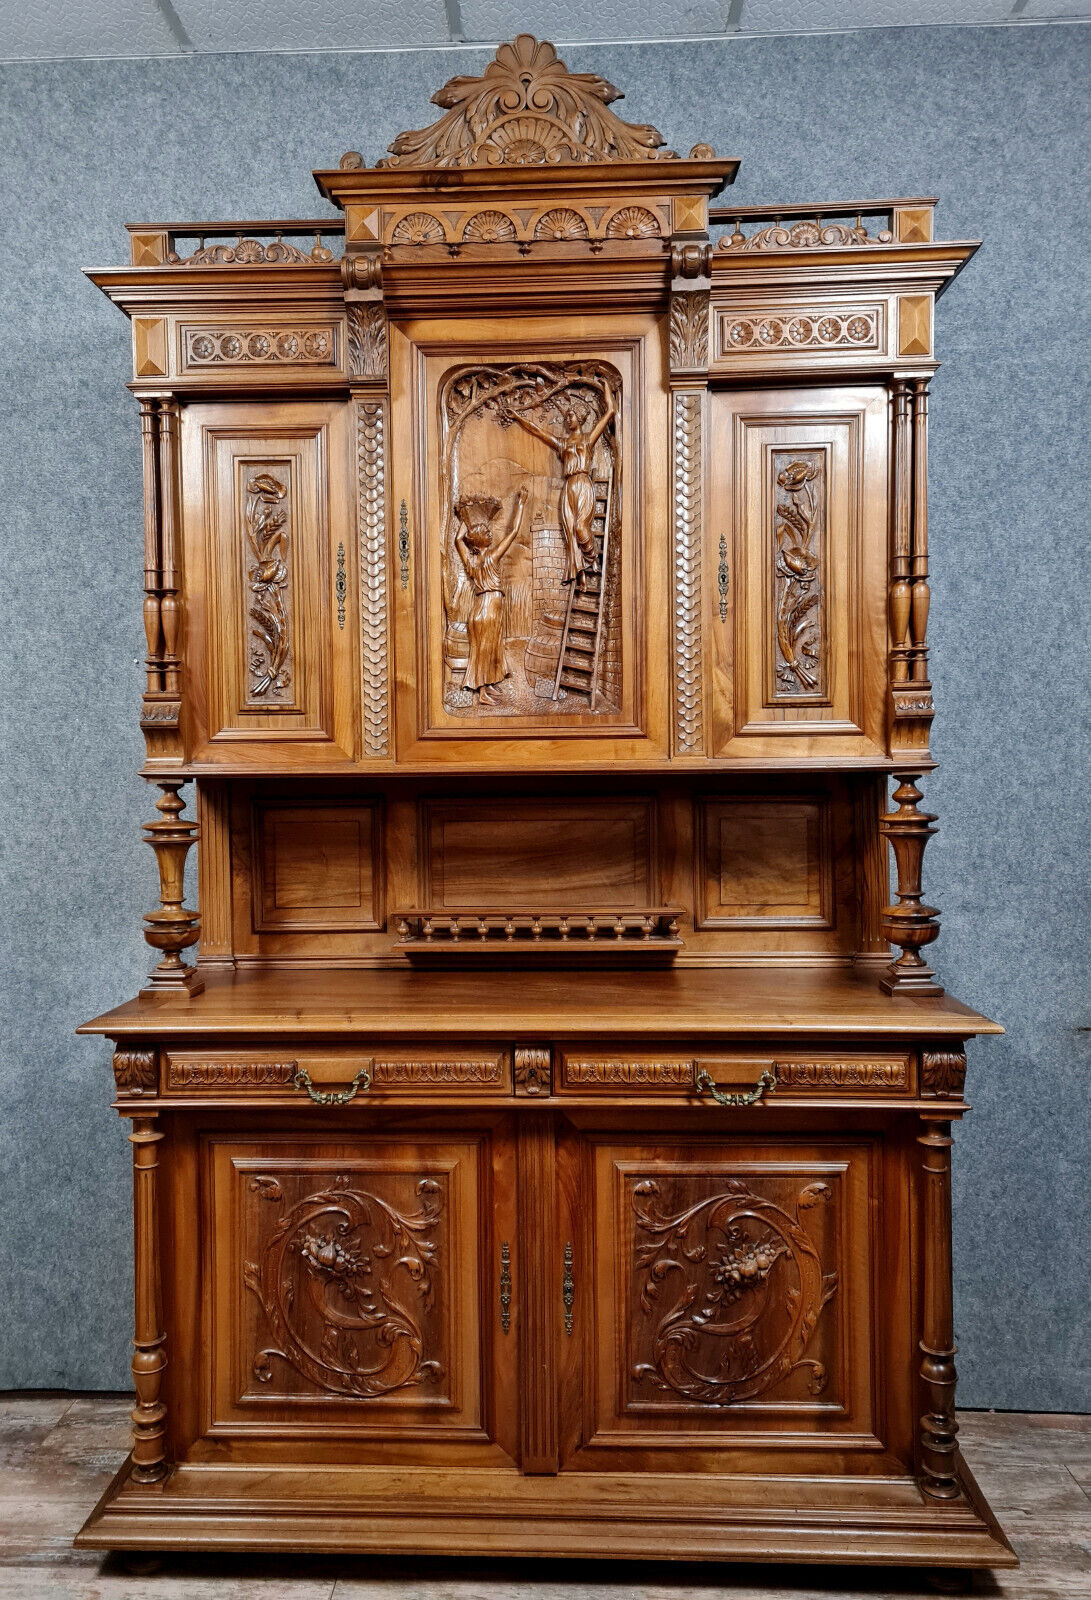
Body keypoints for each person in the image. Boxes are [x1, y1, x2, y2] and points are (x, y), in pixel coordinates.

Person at [500, 382, 614, 582]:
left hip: (583, 483)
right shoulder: (563, 443)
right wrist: (518, 417)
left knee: (580, 527)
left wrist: (605, 388)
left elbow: (610, 411)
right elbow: (539, 432)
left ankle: (592, 558)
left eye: (570, 416)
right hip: (569, 486)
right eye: (567, 416)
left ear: (579, 418)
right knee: (570, 530)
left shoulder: (588, 439)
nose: (567, 419)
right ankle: (580, 571)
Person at [453, 487, 529, 705]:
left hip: (485, 607)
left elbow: (459, 540)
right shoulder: (491, 558)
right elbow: (513, 532)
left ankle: (489, 684)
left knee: (491, 647)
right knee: (486, 649)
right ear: (479, 541)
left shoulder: (472, 561)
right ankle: (483, 692)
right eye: (486, 533)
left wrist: (466, 517)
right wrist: (521, 504)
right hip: (487, 608)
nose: (490, 534)